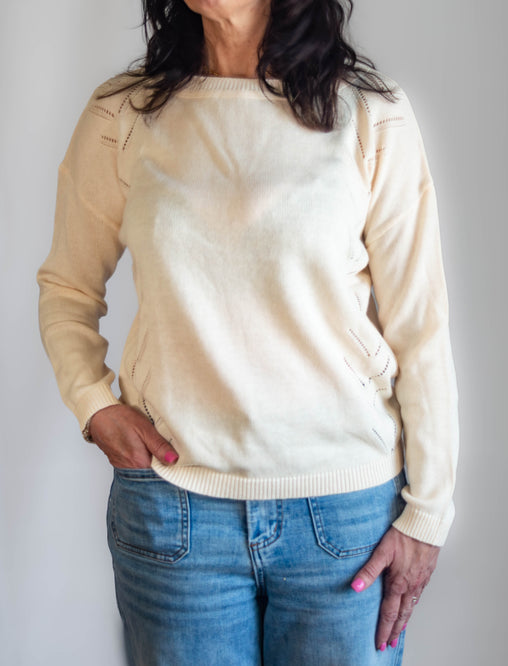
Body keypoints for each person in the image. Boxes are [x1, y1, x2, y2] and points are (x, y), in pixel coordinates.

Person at [36, 0, 459, 664]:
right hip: (175, 510)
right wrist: (94, 403)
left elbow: (420, 326)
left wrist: (427, 513)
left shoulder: (370, 114)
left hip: (344, 514)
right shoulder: (124, 114)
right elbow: (67, 288)